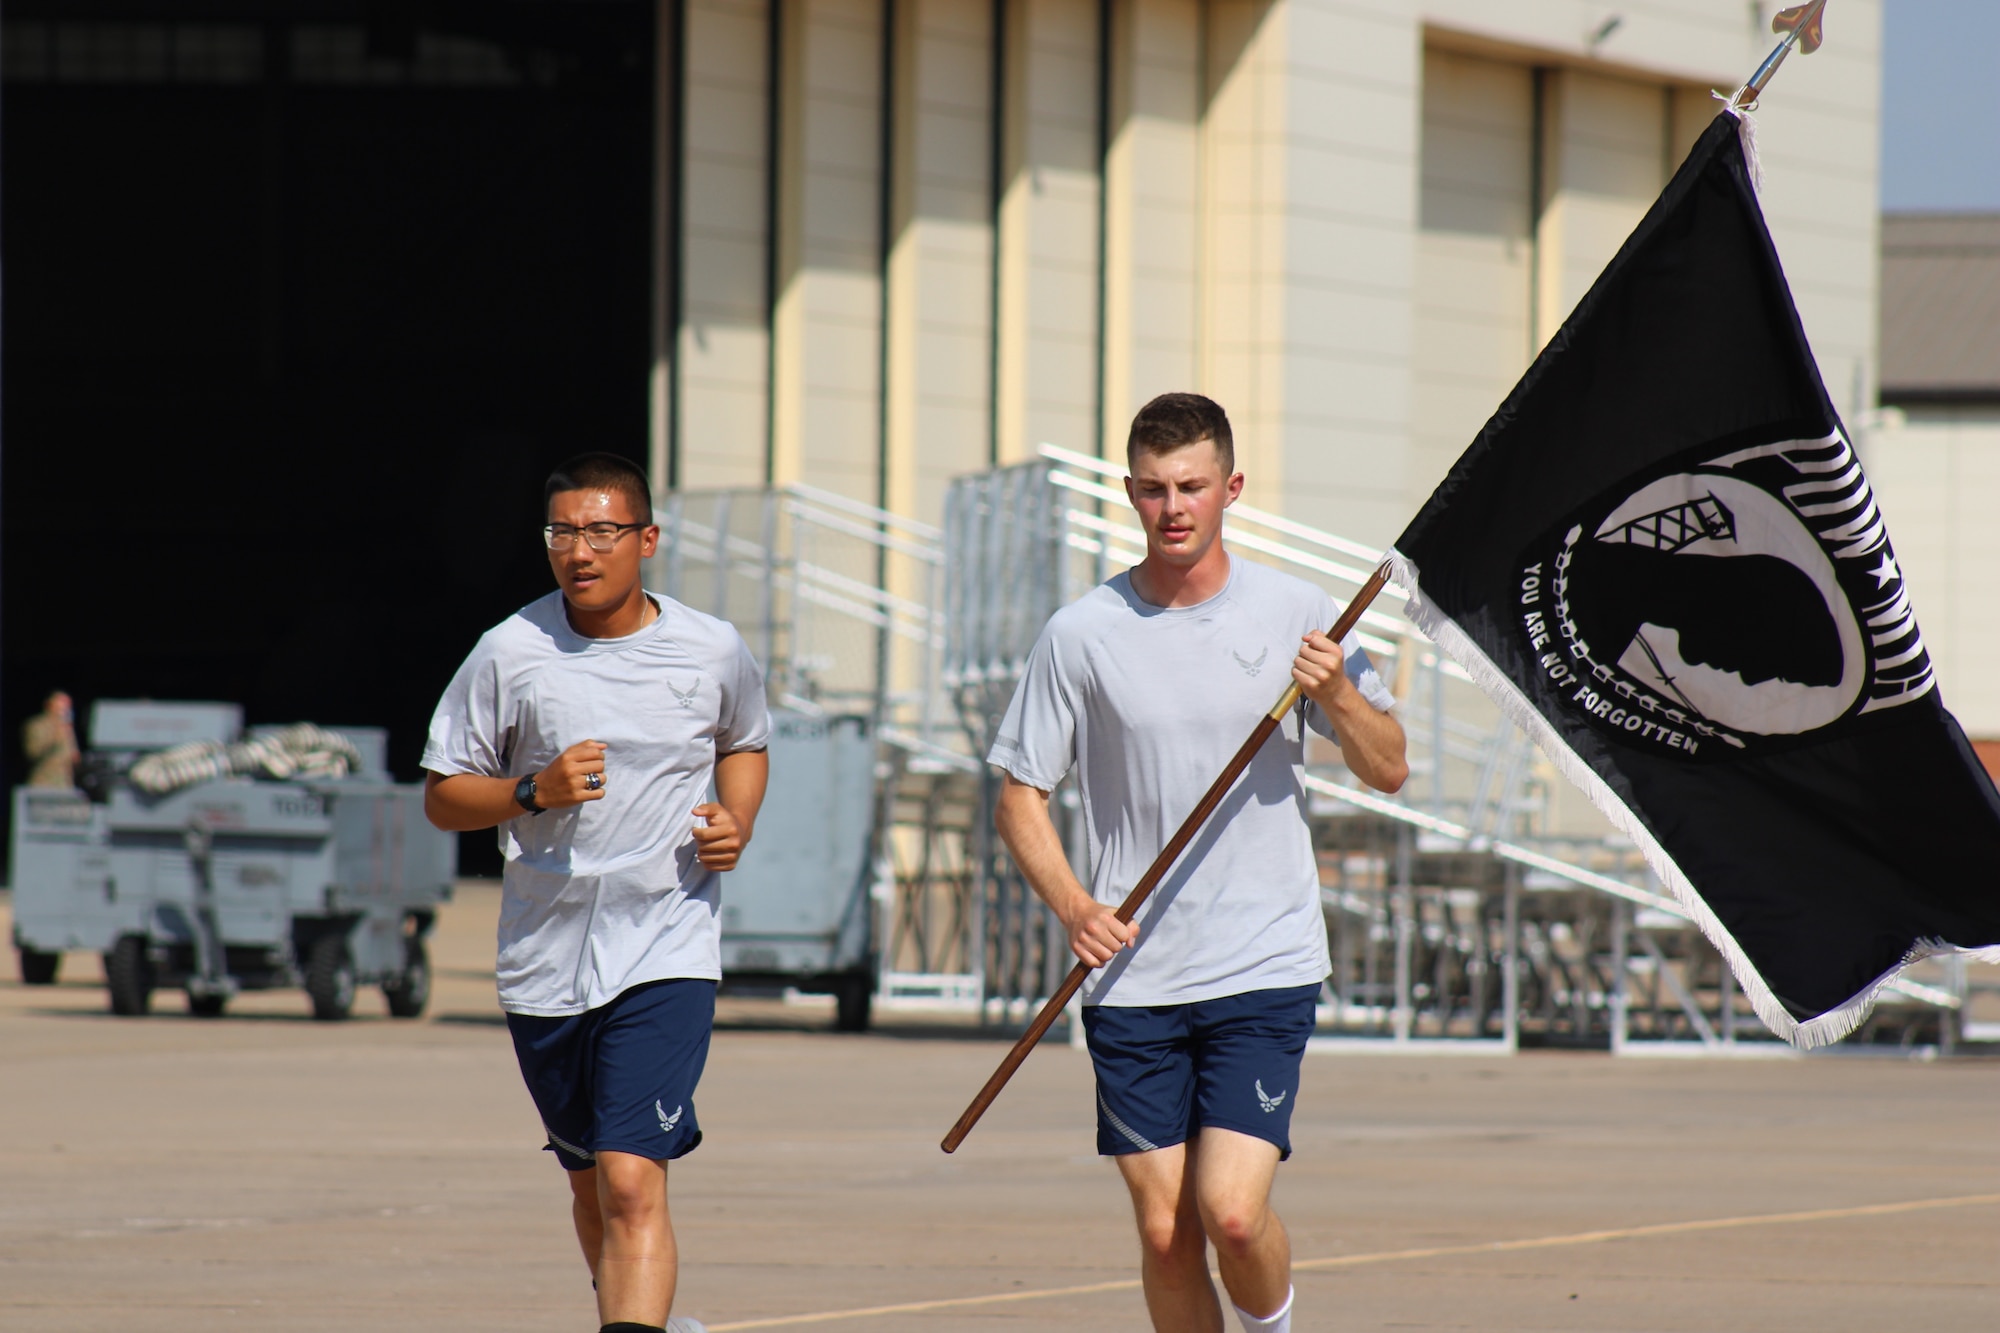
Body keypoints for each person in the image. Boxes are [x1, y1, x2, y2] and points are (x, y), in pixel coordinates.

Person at [989, 393, 1408, 1333]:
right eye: (1152, 489)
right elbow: (1020, 796)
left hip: (1263, 962)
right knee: (1168, 1231)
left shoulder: (1298, 611)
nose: (1173, 506)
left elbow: (1389, 765)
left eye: (1192, 486)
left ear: (1231, 489)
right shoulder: (1081, 632)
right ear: (1128, 493)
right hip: (1133, 976)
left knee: (1230, 1212)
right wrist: (1072, 904)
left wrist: (1337, 691)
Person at [421, 452, 770, 1333]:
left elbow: (745, 740)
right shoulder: (512, 652)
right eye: (564, 532)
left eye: (604, 531)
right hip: (544, 958)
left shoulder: (710, 647)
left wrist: (737, 819)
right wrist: (533, 790)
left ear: (646, 539)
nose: (582, 551)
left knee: (629, 1175)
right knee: (590, 1181)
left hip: (666, 944)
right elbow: (442, 795)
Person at [23, 691, 79, 788]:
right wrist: (54, 740)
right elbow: (32, 754)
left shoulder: (67, 728)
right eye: (61, 703)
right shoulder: (36, 725)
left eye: (67, 704)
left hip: (64, 783)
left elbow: (73, 757)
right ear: (49, 704)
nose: (65, 708)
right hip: (43, 781)